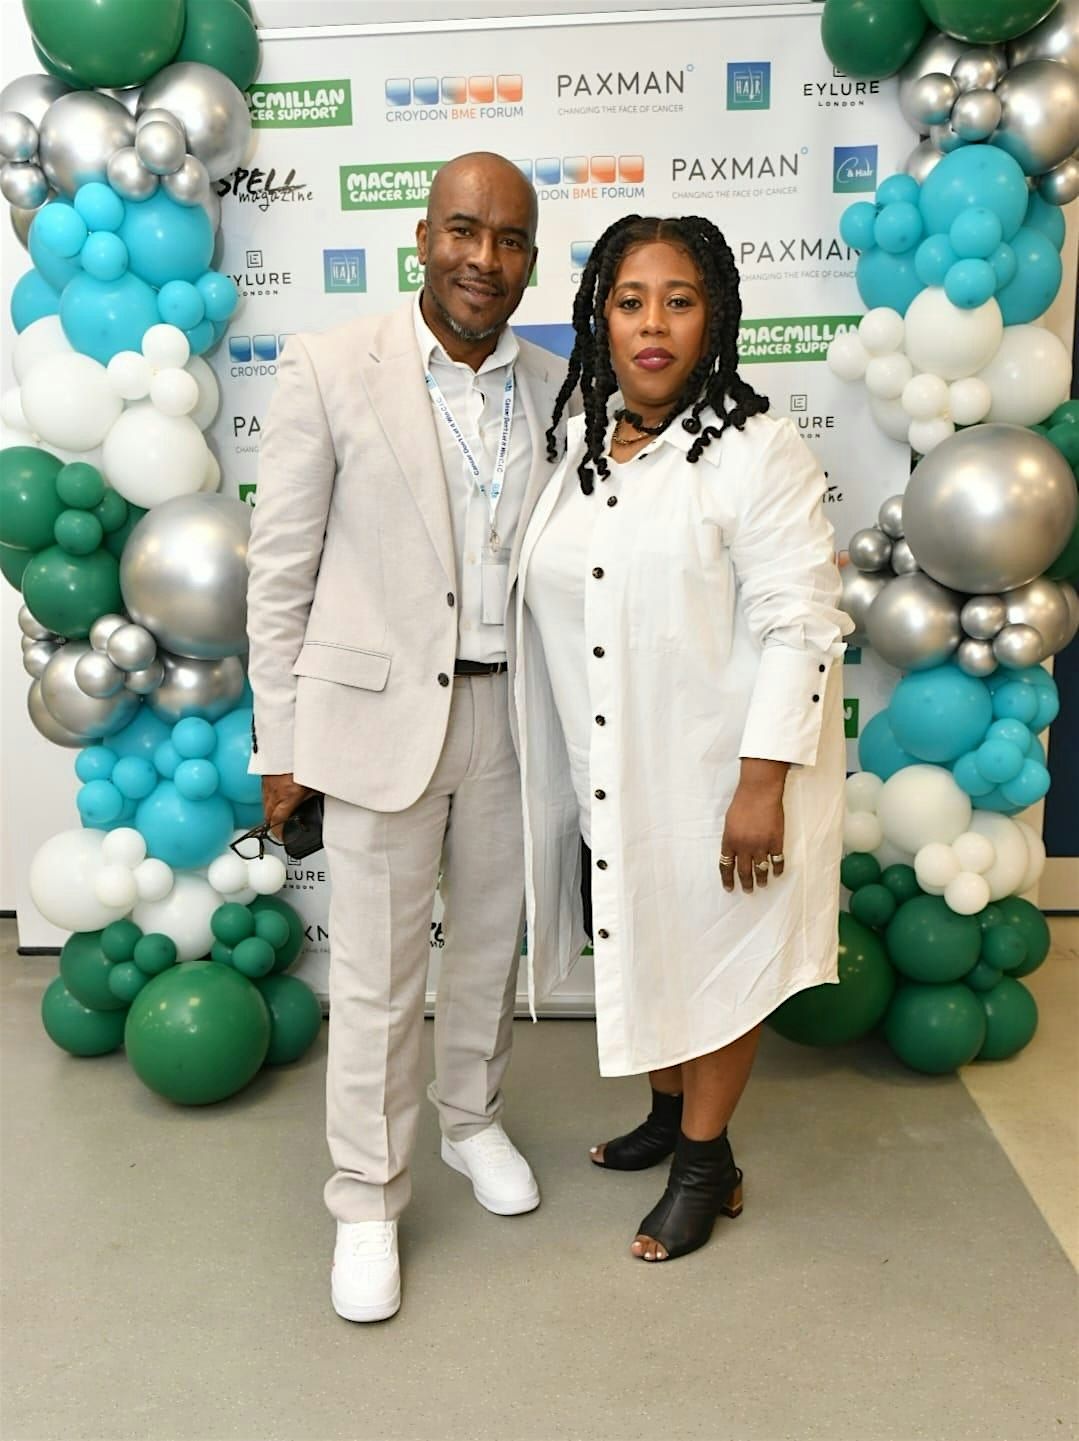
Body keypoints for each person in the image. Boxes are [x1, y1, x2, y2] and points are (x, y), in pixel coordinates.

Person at [246, 152, 570, 1322]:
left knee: (485, 951)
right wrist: (279, 743)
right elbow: (280, 570)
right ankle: (366, 1199)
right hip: (376, 718)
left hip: (510, 713)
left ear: (530, 259)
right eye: (464, 231)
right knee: (378, 979)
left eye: (510, 240)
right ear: (422, 238)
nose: (485, 258)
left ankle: (469, 1122)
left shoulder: (556, 386)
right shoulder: (331, 365)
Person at [512, 214, 851, 1263]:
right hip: (608, 767)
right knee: (650, 940)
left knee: (718, 956)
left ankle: (706, 1163)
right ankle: (669, 1119)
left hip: (717, 769)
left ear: (714, 319)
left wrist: (760, 783)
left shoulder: (756, 450)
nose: (651, 324)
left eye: (678, 301)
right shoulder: (581, 443)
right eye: (629, 302)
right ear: (599, 320)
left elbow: (802, 624)